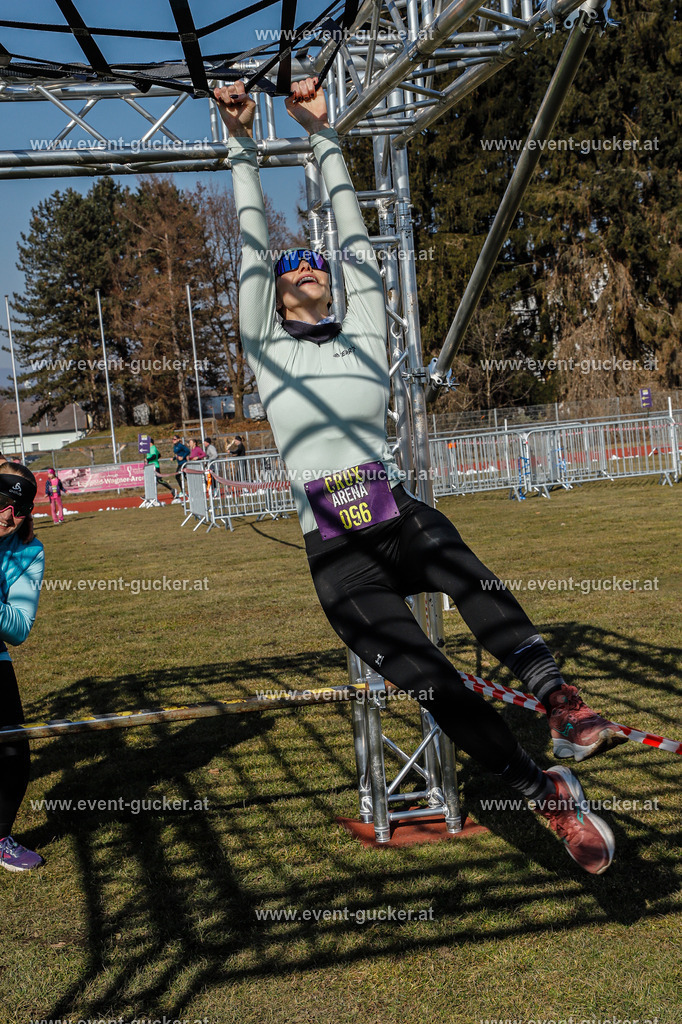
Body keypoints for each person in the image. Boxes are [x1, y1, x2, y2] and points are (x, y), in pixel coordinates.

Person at [216, 77, 627, 875]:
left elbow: (353, 233)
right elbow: (248, 242)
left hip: (394, 512)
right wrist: (241, 145)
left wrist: (323, 135)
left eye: (316, 265)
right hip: (337, 559)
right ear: (274, 292)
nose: (304, 266)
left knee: (469, 575)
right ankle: (539, 789)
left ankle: (562, 701)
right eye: (288, 267)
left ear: (332, 282)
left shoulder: (364, 329)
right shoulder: (270, 351)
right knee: (439, 688)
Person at [0, 460, 45, 871]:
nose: (11, 516)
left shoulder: (29, 550)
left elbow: (17, 628)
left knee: (14, 755)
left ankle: (0, 838)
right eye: (2, 501)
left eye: (21, 507)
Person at [172, 434, 190, 500]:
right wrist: (174, 458)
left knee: (178, 476)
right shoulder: (175, 446)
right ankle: (184, 491)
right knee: (183, 476)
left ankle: (185, 491)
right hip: (179, 463)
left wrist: (183, 457)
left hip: (183, 463)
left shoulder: (180, 445)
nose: (173, 440)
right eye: (173, 439)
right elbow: (178, 455)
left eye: (174, 439)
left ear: (178, 439)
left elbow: (188, 451)